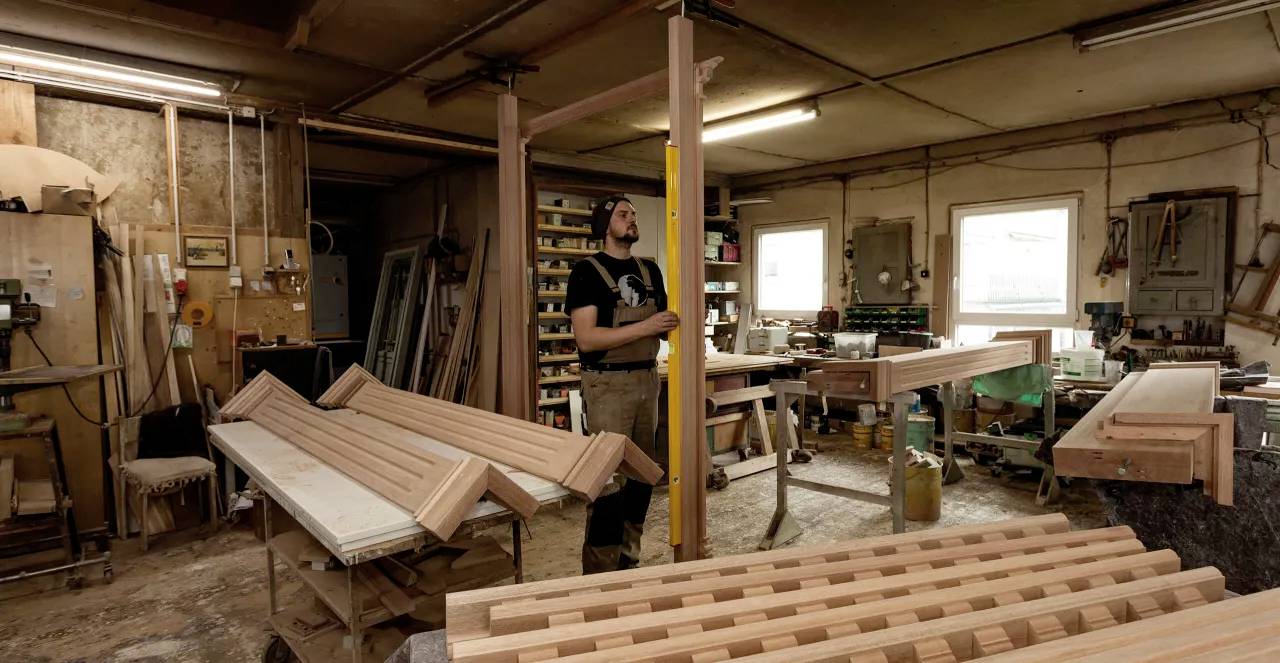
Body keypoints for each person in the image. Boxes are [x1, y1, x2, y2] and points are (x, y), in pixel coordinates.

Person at [565, 195, 678, 574]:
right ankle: (598, 573)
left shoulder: (649, 270)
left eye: (634, 215)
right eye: (623, 214)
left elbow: (663, 326)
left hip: (647, 380)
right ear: (604, 225)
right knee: (608, 484)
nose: (632, 220)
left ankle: (629, 560)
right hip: (607, 387)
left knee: (641, 475)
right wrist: (645, 327)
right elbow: (587, 339)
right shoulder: (587, 272)